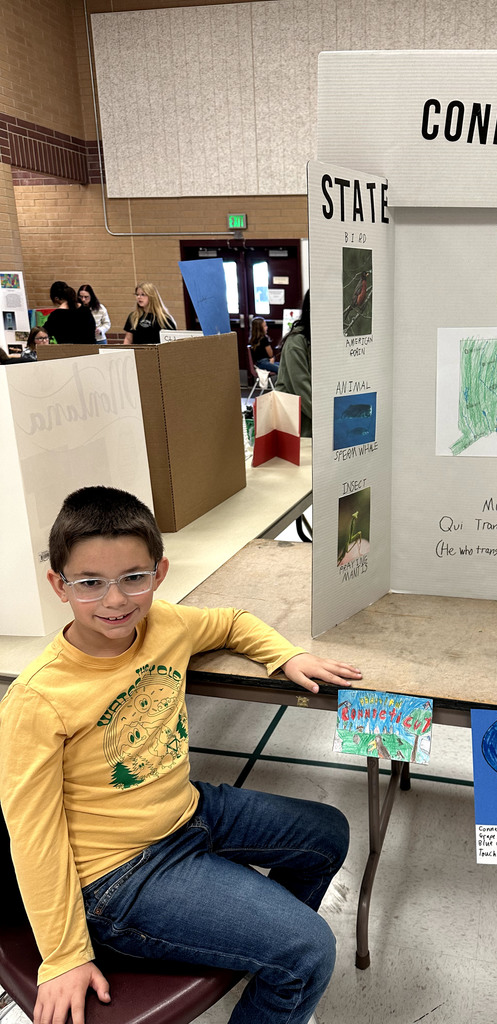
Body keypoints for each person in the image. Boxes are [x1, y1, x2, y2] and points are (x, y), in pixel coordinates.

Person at [0, 486, 362, 1024]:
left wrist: (286, 656)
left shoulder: (165, 624)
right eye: (90, 583)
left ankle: (266, 963)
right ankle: (285, 965)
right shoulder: (38, 699)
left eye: (133, 578)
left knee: (327, 834)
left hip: (187, 811)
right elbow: (34, 836)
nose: (115, 600)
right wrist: (65, 955)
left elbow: (233, 621)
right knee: (310, 951)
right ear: (59, 585)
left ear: (160, 573)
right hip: (117, 874)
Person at [276, 291, 312, 437]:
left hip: (315, 420)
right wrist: (333, 420)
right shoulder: (296, 341)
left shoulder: (325, 340)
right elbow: (303, 391)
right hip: (298, 426)